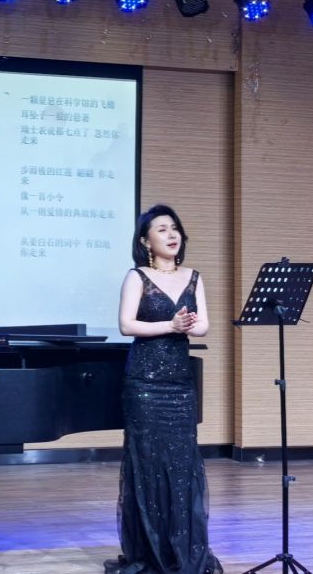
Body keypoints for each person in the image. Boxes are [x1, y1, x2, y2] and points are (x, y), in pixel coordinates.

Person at [106, 204, 222, 574]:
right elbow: (127, 325)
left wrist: (186, 324)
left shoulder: (193, 277)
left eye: (175, 228)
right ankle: (151, 552)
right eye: (162, 229)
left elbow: (203, 326)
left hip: (179, 384)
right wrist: (170, 326)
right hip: (144, 383)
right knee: (149, 465)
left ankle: (181, 549)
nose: (172, 235)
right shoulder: (137, 277)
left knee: (182, 464)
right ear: (145, 241)